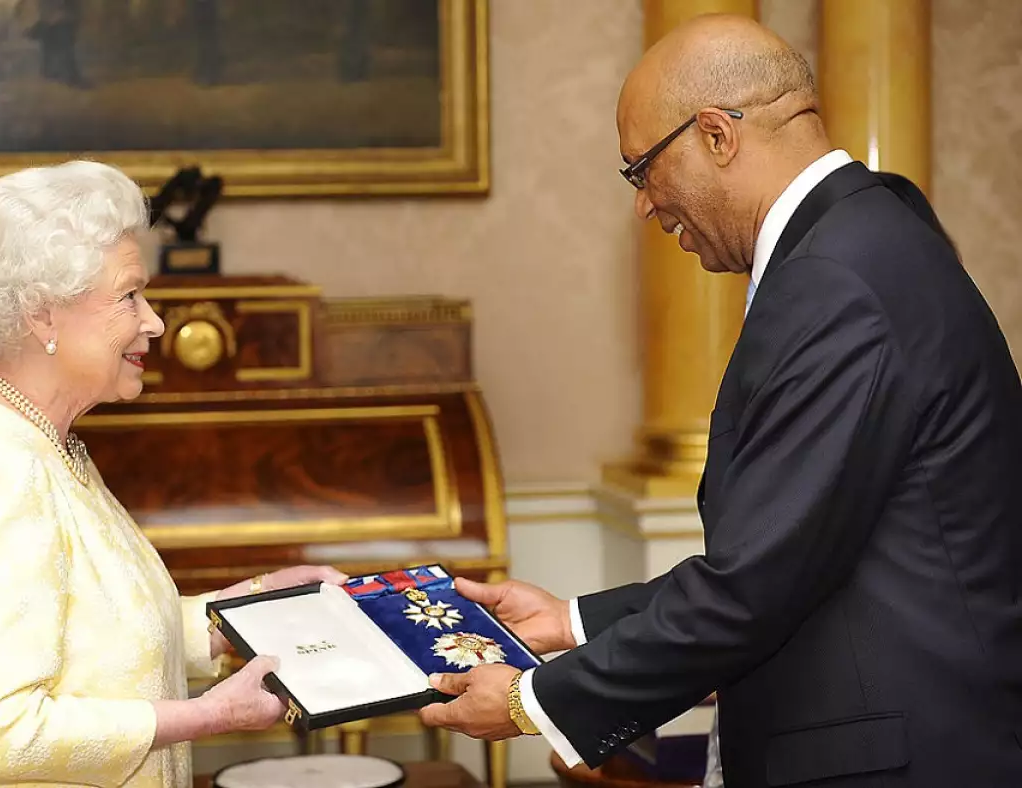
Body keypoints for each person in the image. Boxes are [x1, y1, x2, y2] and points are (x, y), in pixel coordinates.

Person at [418, 14, 1022, 788]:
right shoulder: (864, 236)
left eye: (641, 170)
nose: (644, 205)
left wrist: (532, 700)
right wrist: (570, 621)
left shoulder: (836, 279)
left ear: (716, 135)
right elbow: (794, 549)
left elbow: (753, 586)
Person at [0, 160, 347, 787]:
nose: (154, 321)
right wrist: (209, 715)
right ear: (42, 314)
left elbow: (100, 639)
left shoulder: (38, 440)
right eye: (129, 296)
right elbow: (5, 733)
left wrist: (247, 609)